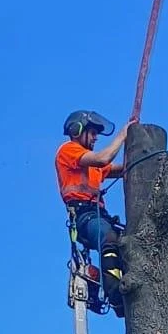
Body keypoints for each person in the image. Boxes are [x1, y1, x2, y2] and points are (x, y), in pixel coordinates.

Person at [56, 111, 127, 315]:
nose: (96, 138)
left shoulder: (93, 164)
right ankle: (116, 296)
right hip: (84, 216)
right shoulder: (69, 151)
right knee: (109, 238)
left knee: (128, 242)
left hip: (99, 215)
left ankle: (123, 283)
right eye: (93, 133)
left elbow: (116, 169)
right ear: (77, 130)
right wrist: (122, 136)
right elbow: (103, 158)